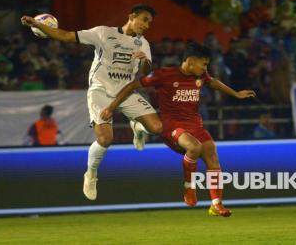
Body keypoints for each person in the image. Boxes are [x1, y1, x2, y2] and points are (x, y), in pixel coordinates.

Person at [21, 4, 163, 201]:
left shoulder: (143, 44)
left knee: (157, 128)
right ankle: (91, 173)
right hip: (101, 91)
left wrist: (145, 61)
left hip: (126, 92)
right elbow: (65, 36)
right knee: (105, 140)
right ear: (132, 16)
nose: (147, 25)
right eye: (144, 20)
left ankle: (137, 127)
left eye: (150, 23)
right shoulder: (103, 33)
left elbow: (147, 73)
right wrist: (36, 23)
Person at [101, 42, 256, 217]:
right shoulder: (164, 74)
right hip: (171, 124)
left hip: (195, 124)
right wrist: (111, 107)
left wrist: (235, 94)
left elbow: (213, 83)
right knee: (194, 147)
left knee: (212, 154)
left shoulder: (201, 75)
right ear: (190, 61)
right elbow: (132, 86)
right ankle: (189, 187)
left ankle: (216, 204)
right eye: (204, 63)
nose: (206, 68)